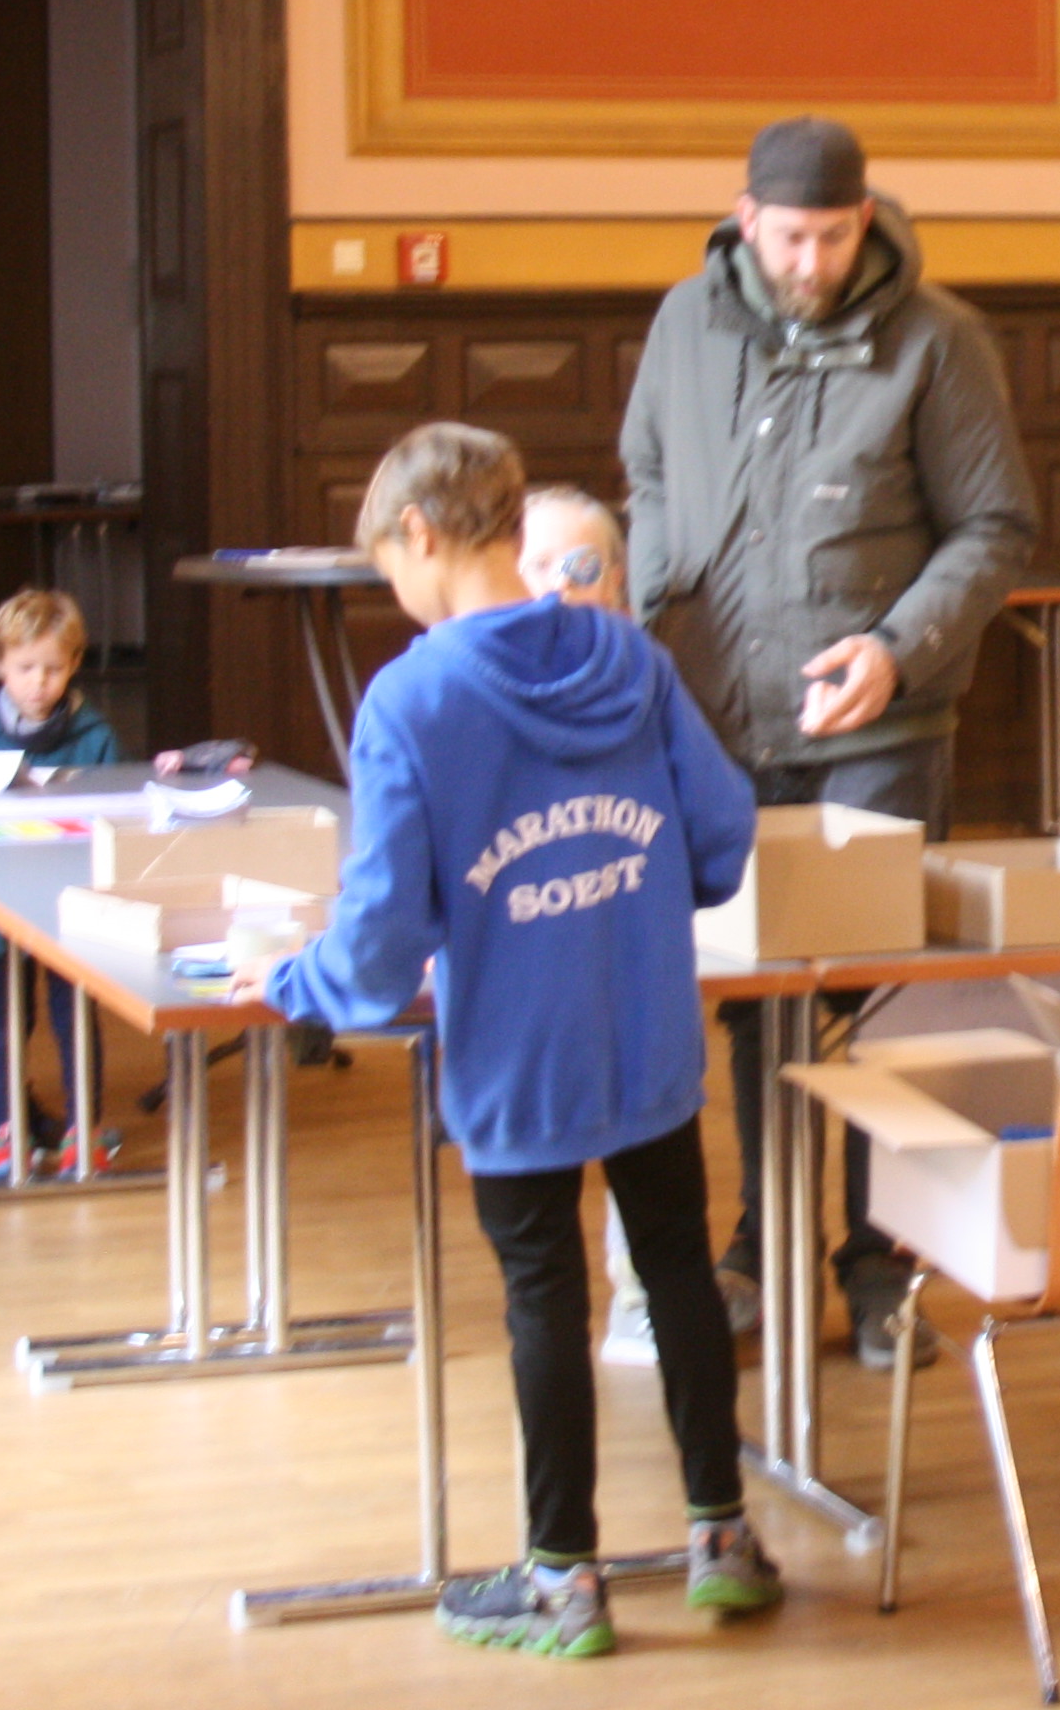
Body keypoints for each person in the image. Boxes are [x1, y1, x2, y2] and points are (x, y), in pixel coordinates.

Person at [242, 423, 778, 1657]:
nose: (394, 588)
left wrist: (294, 984)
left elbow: (378, 945)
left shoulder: (411, 698)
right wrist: (641, 900)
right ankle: (721, 1540)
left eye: (388, 566)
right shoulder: (626, 654)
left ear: (421, 534)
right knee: (677, 1270)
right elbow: (721, 830)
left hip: (513, 1051)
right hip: (645, 1028)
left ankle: (563, 1582)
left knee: (545, 1297)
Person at [620, 115, 1038, 1368]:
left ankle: (877, 1260)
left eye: (836, 237)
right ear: (746, 219)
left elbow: (995, 526)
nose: (812, 262)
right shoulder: (684, 325)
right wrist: (653, 608)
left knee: (868, 996)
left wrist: (898, 648)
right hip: (715, 718)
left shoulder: (939, 339)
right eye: (792, 237)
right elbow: (648, 472)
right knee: (756, 996)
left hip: (878, 723)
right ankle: (763, 1244)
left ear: (867, 220)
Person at [515, 481, 675, 1370]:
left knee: (638, 1136)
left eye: (581, 566)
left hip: (628, 959)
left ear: (617, 583)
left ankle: (637, 1300)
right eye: (538, 564)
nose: (558, 584)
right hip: (523, 968)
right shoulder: (474, 682)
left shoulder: (648, 679)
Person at [0, 588, 119, 1177]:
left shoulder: (96, 737)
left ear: (74, 664)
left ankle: (83, 1130)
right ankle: (6, 1130)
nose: (39, 683)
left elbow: (115, 826)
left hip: (72, 911)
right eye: (25, 668)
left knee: (76, 1021)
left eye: (53, 669)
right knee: (5, 1025)